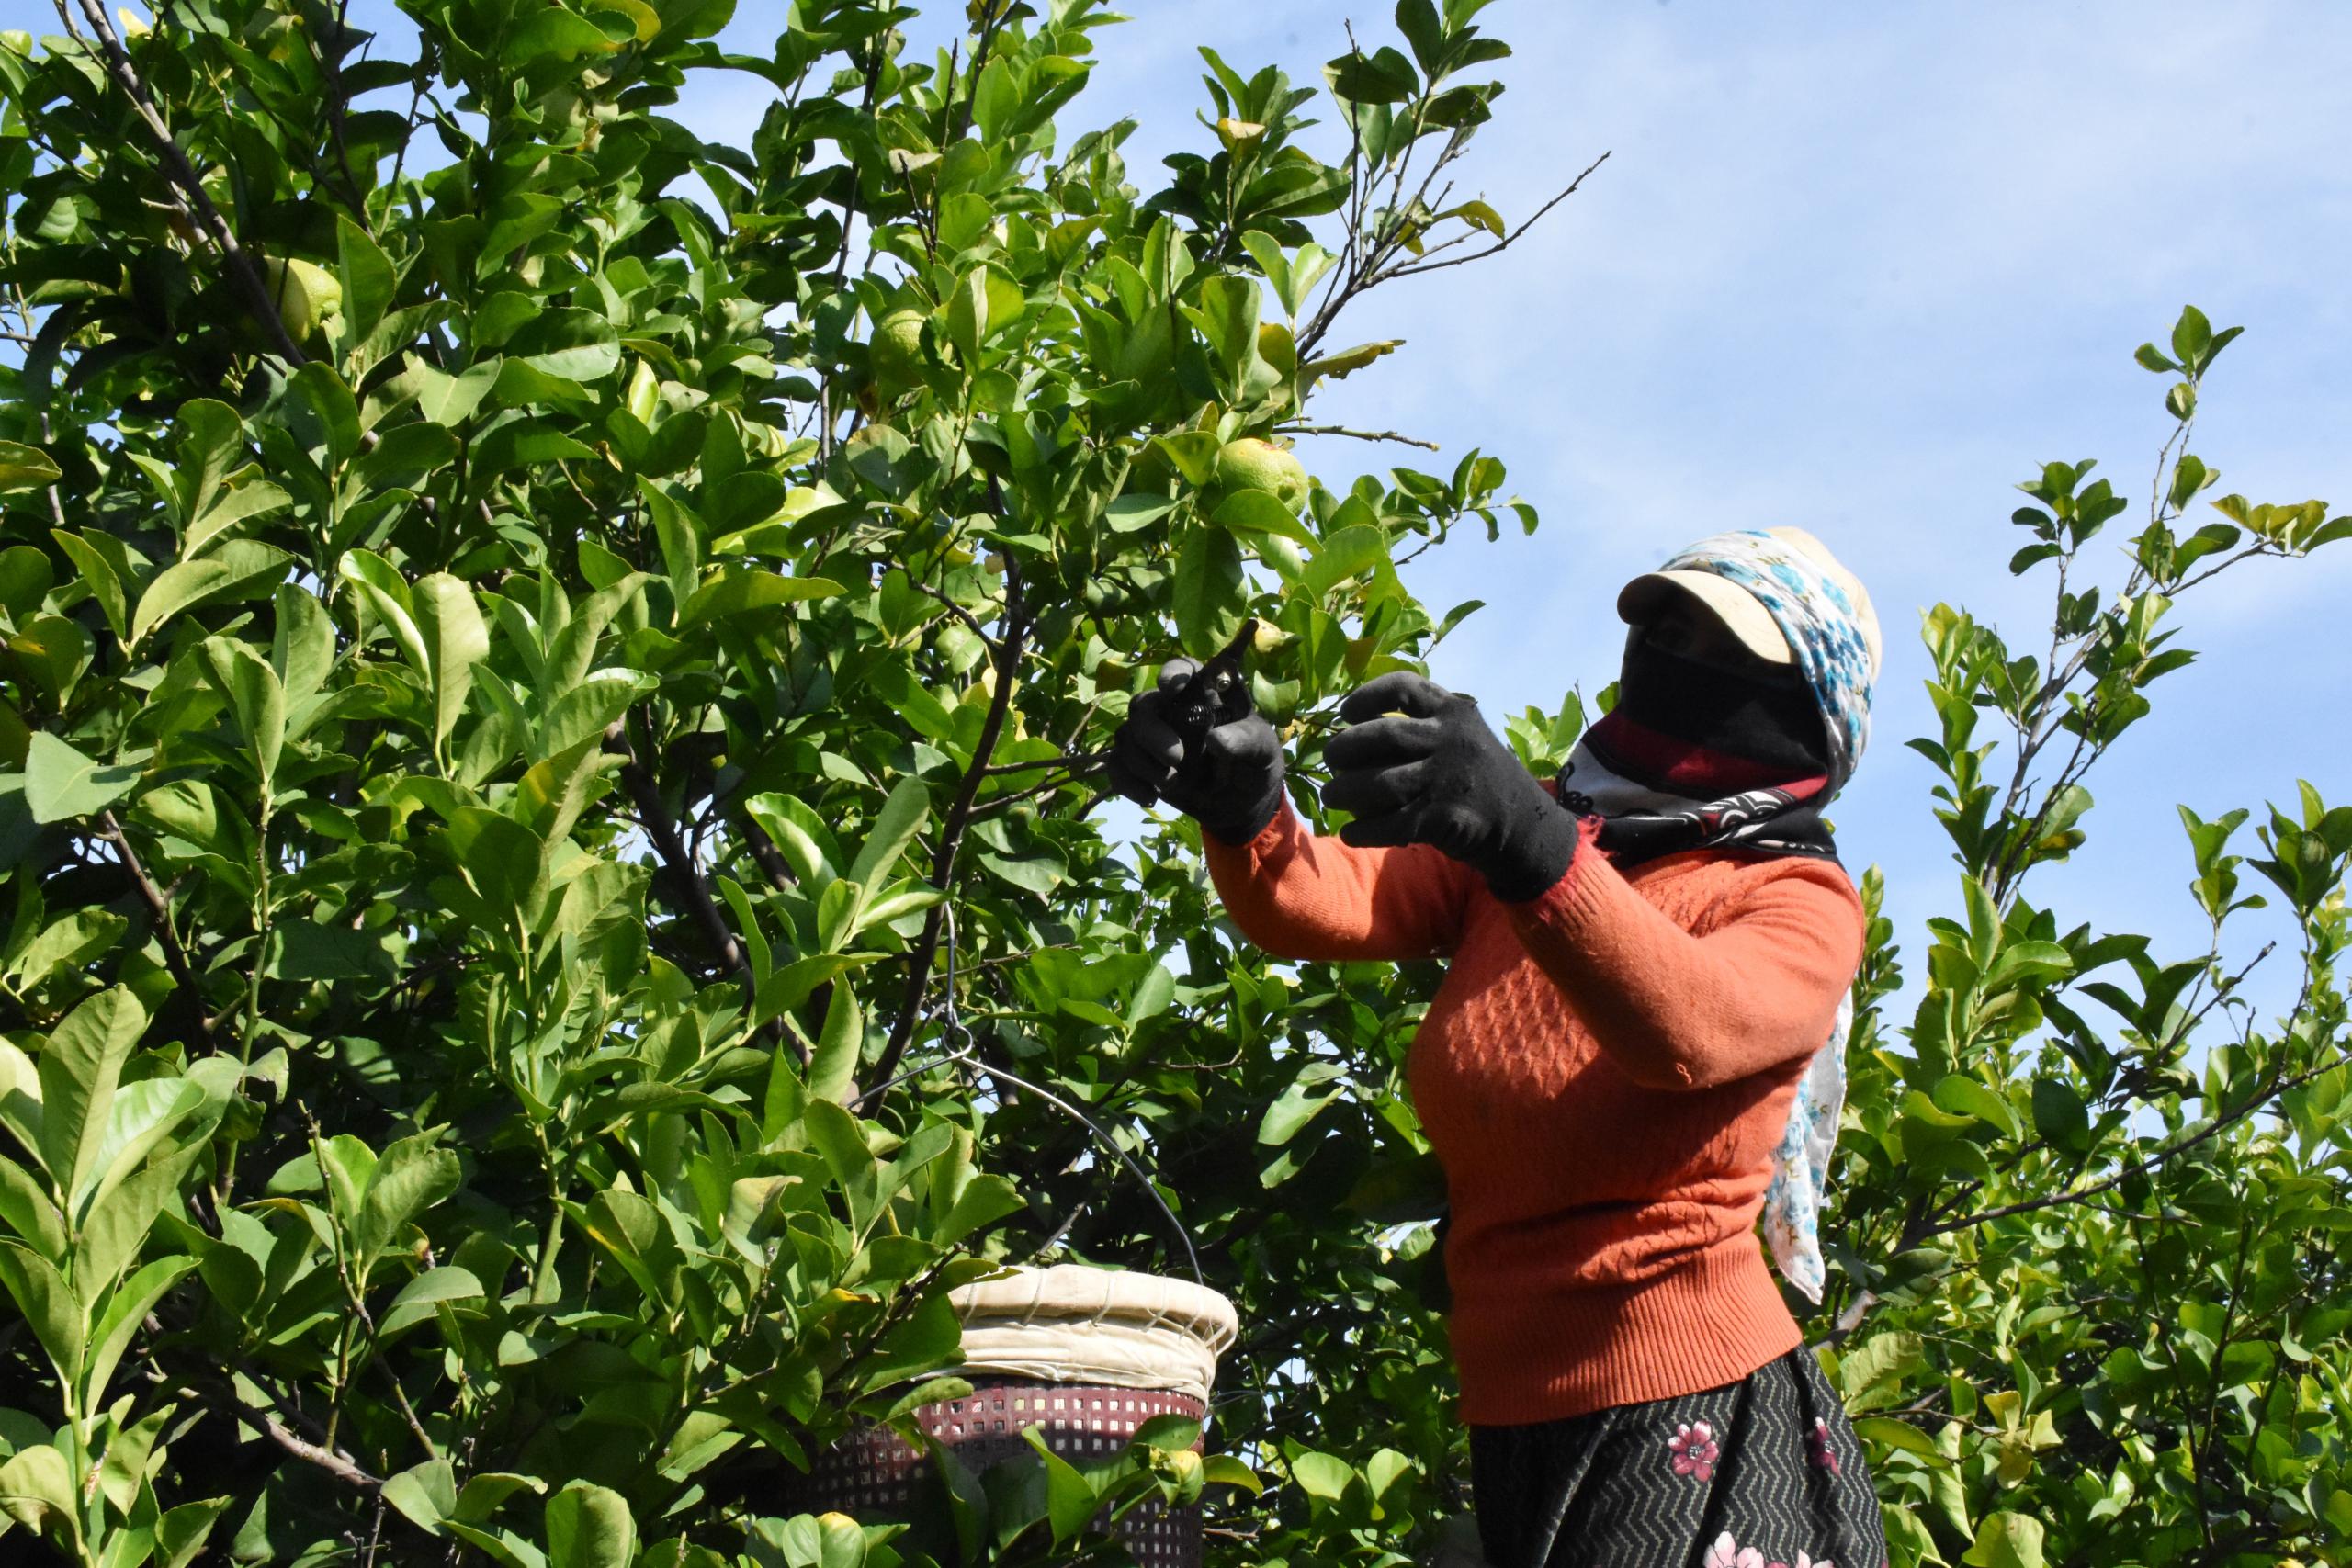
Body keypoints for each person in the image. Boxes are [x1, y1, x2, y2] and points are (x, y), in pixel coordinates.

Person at [1107, 527, 1888, 1568]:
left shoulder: (1795, 897)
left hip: (1701, 1416)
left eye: (1720, 651)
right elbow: (1325, 897)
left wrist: (1528, 836)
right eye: (1663, 631)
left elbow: (1691, 1030)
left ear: (1806, 710)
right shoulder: (1554, 842)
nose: (1673, 660)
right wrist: (1244, 801)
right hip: (1515, 1416)